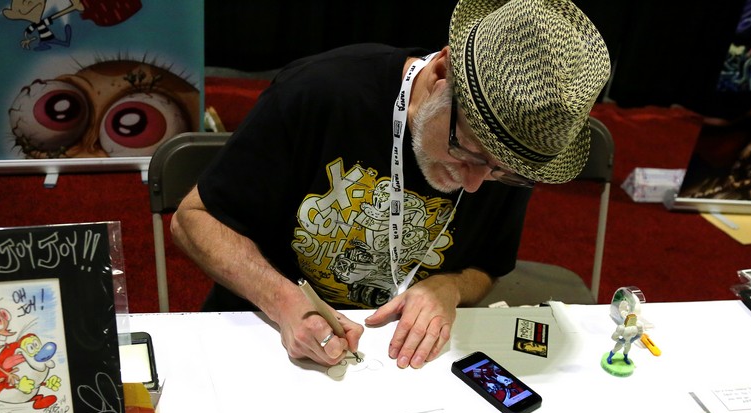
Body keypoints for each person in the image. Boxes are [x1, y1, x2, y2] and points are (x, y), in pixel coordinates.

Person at [170, 0, 610, 368]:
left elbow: (487, 265)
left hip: (404, 365)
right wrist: (282, 300)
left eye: (501, 171)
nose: (476, 183)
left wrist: (450, 287)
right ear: (441, 73)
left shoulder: (512, 152)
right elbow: (193, 220)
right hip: (268, 340)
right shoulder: (320, 92)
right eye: (467, 151)